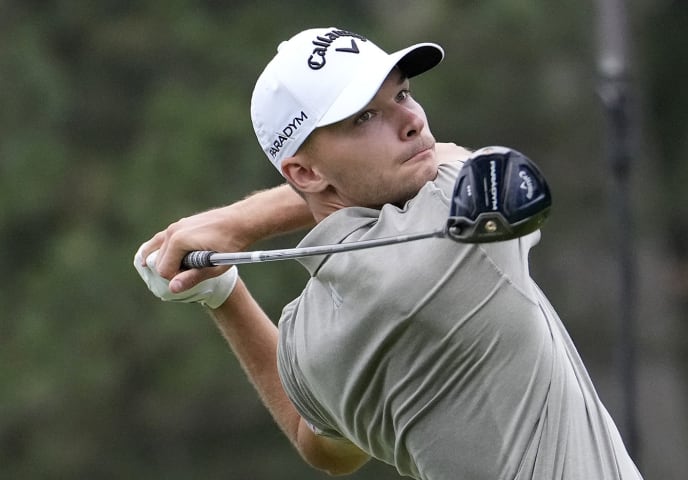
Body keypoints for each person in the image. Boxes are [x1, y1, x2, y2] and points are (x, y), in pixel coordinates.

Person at [133, 27, 642, 479]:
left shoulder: (307, 340)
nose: (413, 120)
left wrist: (223, 296)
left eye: (403, 92)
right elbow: (455, 161)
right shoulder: (456, 233)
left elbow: (322, 449)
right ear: (305, 174)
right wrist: (238, 222)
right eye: (366, 117)